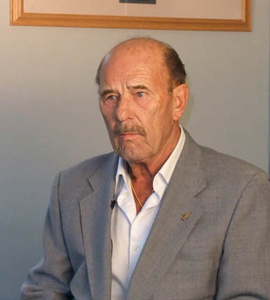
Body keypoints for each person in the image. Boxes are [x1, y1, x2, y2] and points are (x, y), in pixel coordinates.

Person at [20, 37, 270, 300]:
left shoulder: (242, 189)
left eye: (140, 93)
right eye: (110, 96)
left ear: (178, 102)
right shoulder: (70, 186)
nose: (121, 113)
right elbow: (44, 290)